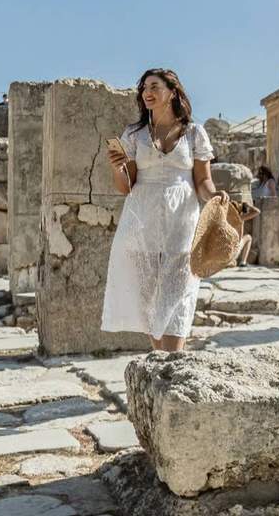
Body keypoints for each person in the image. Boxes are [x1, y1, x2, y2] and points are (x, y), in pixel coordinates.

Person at [100, 68, 219, 352]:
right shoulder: (134, 134)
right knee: (148, 301)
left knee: (180, 293)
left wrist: (217, 199)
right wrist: (117, 165)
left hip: (183, 222)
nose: (147, 92)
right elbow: (126, 185)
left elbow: (203, 181)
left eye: (154, 86)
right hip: (141, 222)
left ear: (172, 92)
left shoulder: (193, 132)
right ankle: (161, 359)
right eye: (143, 88)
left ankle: (173, 358)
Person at [233, 201, 260, 267]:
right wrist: (248, 205)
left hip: (226, 250)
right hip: (234, 249)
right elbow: (257, 211)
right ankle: (243, 262)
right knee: (248, 237)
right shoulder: (240, 218)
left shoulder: (226, 218)